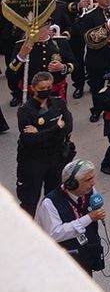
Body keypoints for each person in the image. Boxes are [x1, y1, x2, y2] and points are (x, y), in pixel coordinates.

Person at [37, 158, 107, 275]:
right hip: (65, 260)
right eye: (88, 180)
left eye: (93, 178)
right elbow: (54, 233)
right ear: (72, 184)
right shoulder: (49, 203)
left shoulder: (90, 191)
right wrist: (89, 218)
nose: (93, 182)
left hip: (86, 253)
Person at [15, 71, 73, 213]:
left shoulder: (58, 103)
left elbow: (68, 127)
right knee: (29, 200)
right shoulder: (25, 111)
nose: (46, 91)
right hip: (33, 161)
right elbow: (30, 140)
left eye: (48, 87)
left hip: (56, 156)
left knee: (54, 198)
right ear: (33, 88)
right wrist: (55, 128)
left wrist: (41, 132)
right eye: (42, 88)